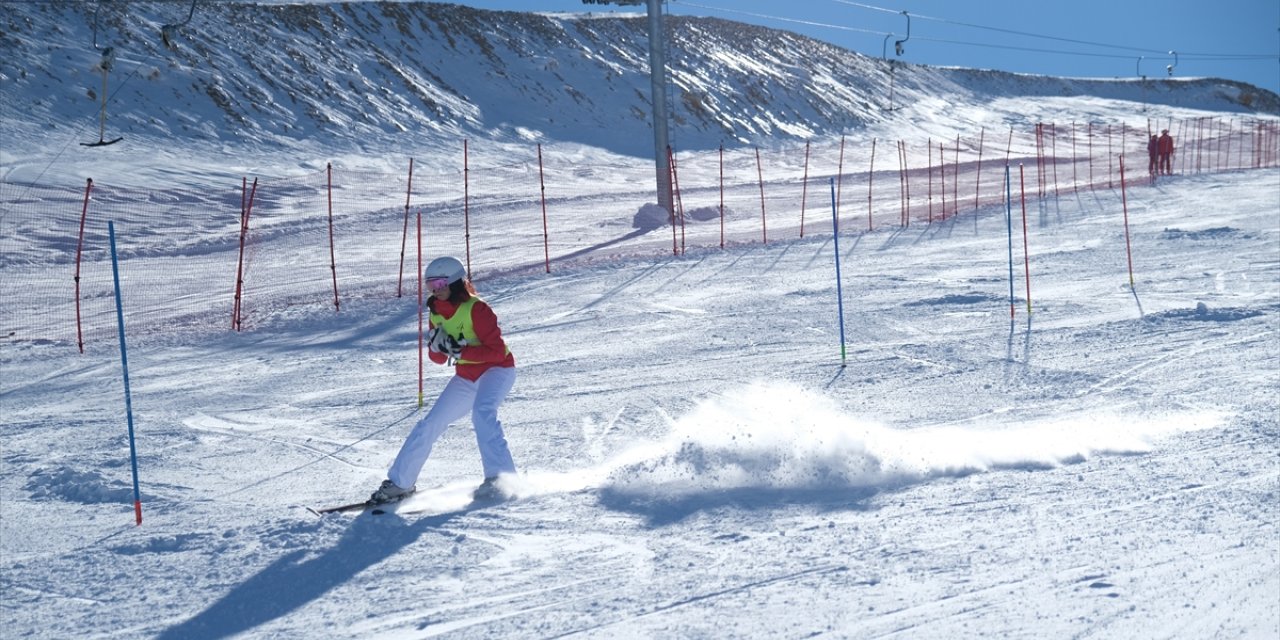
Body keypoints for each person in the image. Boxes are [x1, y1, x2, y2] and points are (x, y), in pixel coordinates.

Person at [369, 256, 518, 505]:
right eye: (430, 285)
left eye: (439, 283)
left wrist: (460, 351)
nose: (435, 290)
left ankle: (501, 480)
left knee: (483, 414)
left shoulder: (477, 309)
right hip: (466, 376)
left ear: (456, 282)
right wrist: (439, 347)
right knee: (430, 424)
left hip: (497, 371)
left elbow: (496, 350)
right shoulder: (436, 312)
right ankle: (400, 484)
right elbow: (437, 358)